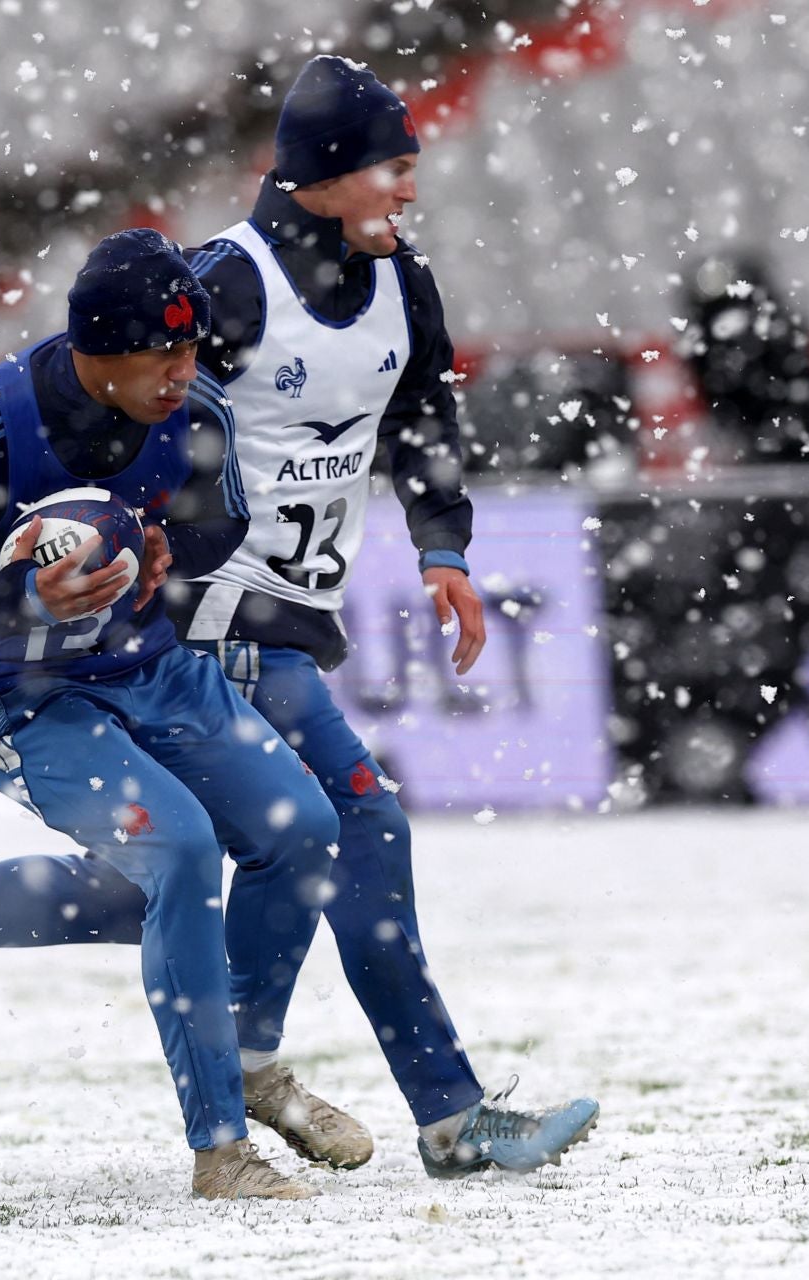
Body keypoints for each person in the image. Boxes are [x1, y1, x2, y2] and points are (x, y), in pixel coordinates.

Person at [0, 228, 351, 1200]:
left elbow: (221, 524)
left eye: (192, 347)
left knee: (300, 830)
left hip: (145, 666)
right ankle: (221, 1147)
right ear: (92, 349)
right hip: (11, 692)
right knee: (180, 858)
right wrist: (28, 602)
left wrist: (165, 547)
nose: (182, 371)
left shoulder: (195, 403)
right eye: (157, 352)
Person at [169, 54, 599, 1178]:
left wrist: (444, 547)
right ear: (327, 171)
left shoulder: (402, 278)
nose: (410, 190)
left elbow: (423, 413)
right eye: (394, 167)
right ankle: (437, 1109)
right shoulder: (228, 279)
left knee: (266, 849)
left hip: (281, 620)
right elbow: (127, 408)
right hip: (209, 622)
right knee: (353, 826)